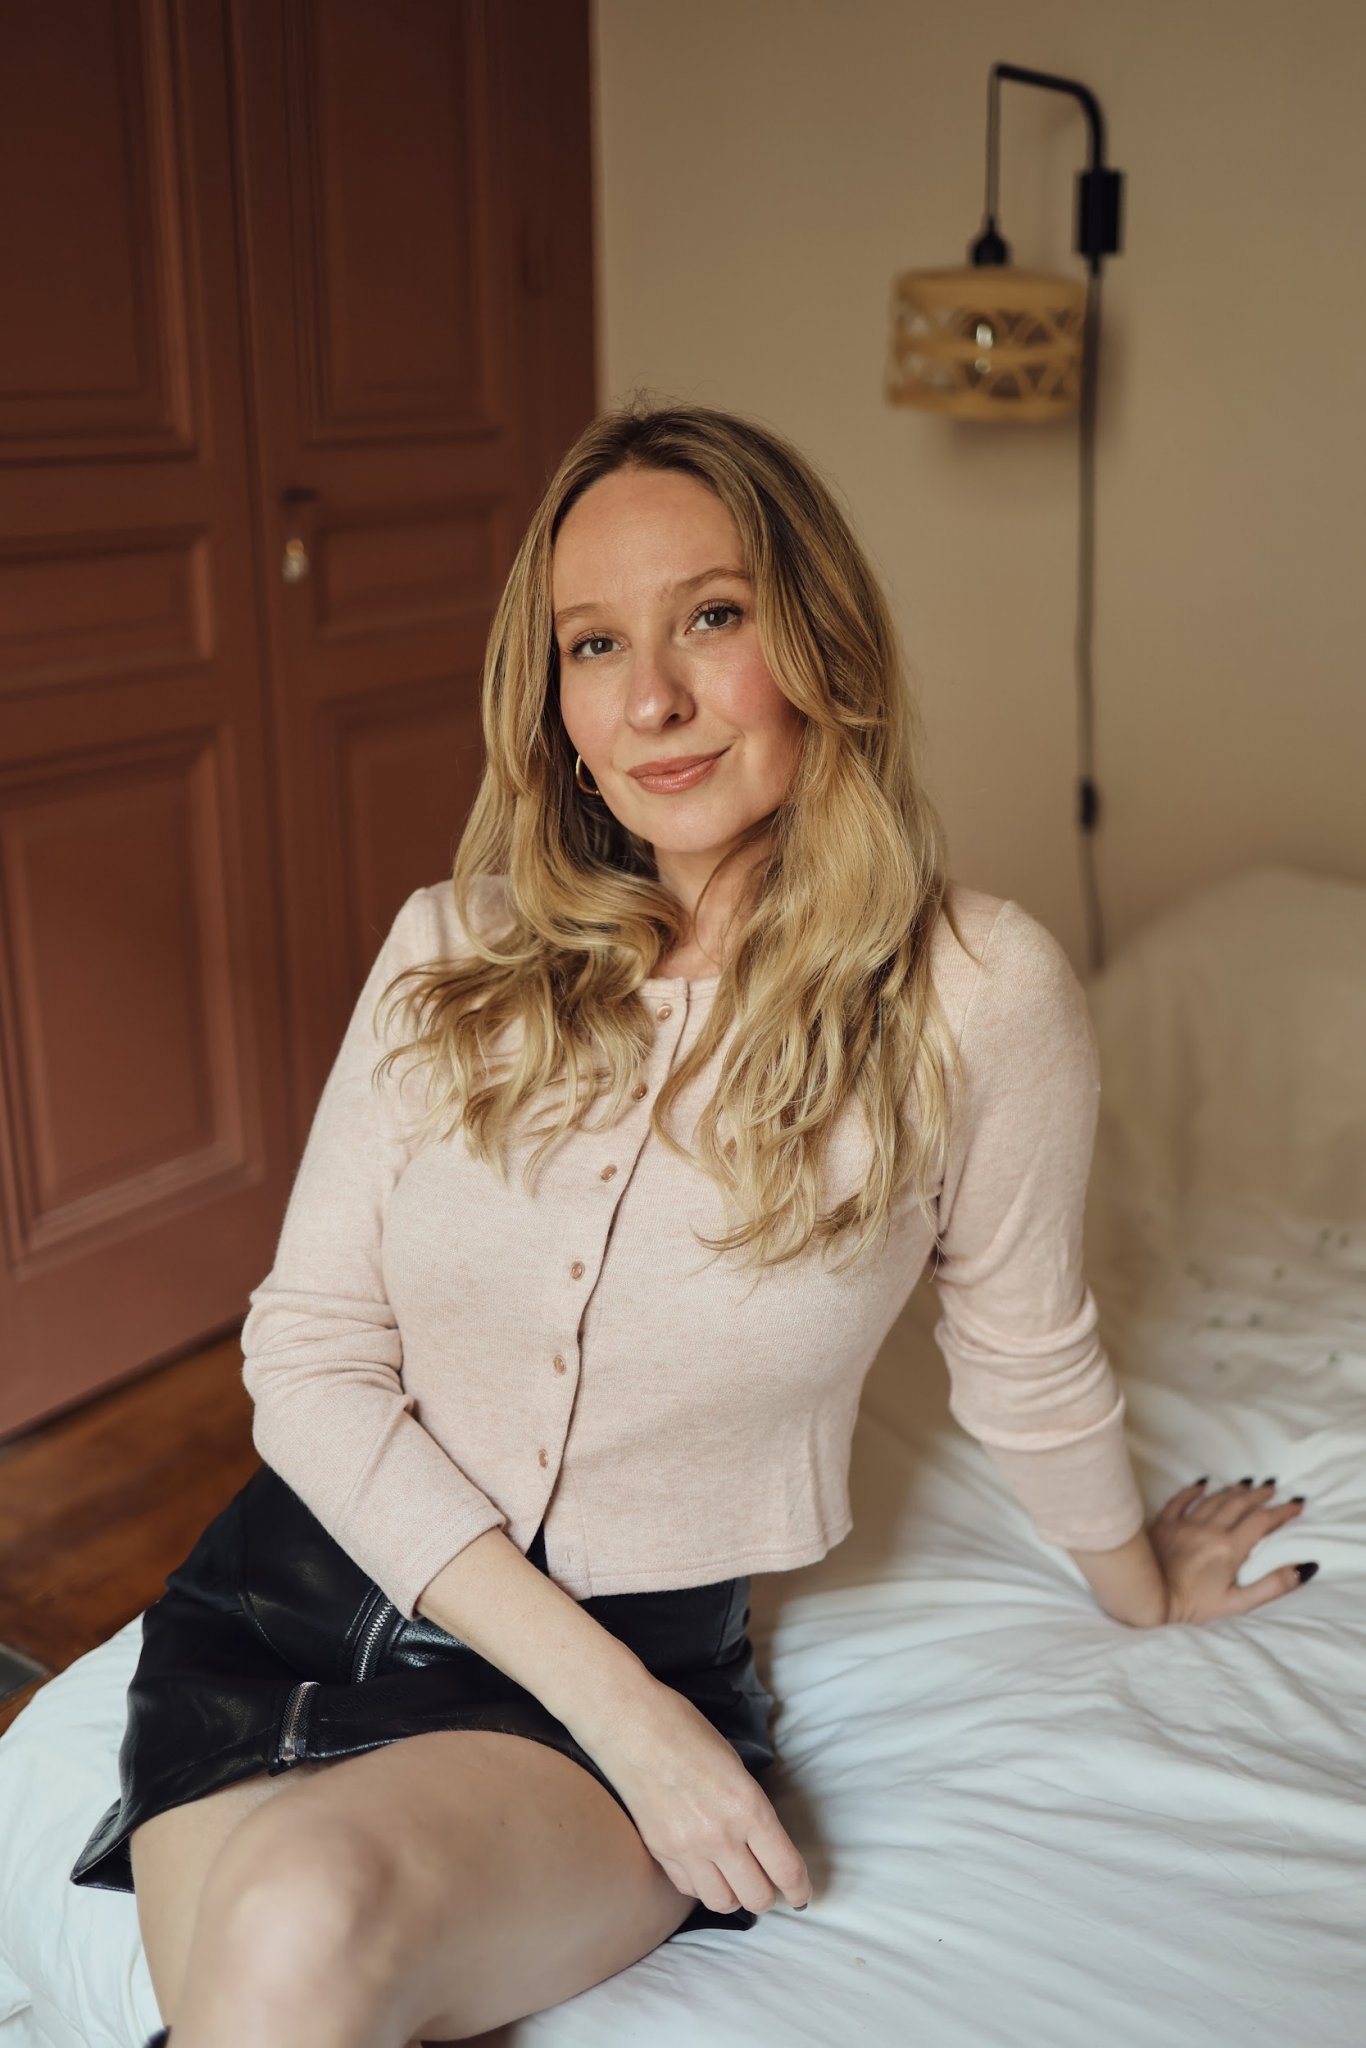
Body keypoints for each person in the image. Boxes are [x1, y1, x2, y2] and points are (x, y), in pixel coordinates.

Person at [69, 400, 1314, 2048]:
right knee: (271, 1964)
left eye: (711, 618)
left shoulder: (975, 993)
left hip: (611, 1677)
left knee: (295, 1921)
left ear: (819, 646)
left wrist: (1136, 1586)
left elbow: (1021, 1345)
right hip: (281, 1609)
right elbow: (306, 1356)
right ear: (555, 702)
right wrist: (629, 1719)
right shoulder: (449, 948)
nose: (649, 697)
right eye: (594, 644)